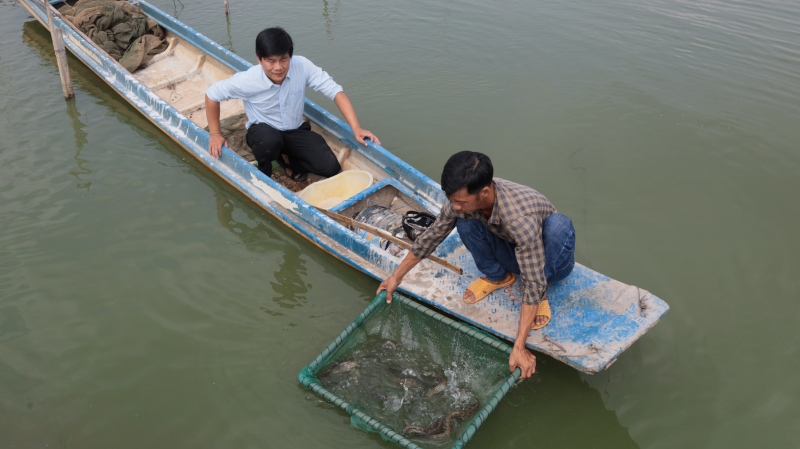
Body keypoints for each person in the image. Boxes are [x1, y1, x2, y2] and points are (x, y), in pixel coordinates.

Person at [377, 151, 576, 379]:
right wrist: (396, 276)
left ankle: (542, 292)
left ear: (484, 192)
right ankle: (498, 276)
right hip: (512, 246)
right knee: (463, 222)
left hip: (549, 260)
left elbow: (531, 278)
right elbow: (432, 236)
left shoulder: (519, 218)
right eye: (452, 200)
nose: (455, 206)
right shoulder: (462, 201)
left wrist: (519, 347)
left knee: (558, 226)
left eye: (461, 201)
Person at [204, 27, 380, 182]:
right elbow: (212, 95)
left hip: (294, 130)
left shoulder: (302, 66)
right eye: (270, 61)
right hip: (264, 131)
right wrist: (215, 133)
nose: (278, 67)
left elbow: (335, 91)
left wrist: (356, 128)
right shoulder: (247, 80)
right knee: (269, 142)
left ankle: (285, 157)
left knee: (330, 168)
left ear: (290, 56)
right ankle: (263, 174)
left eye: (284, 59)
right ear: (259, 59)